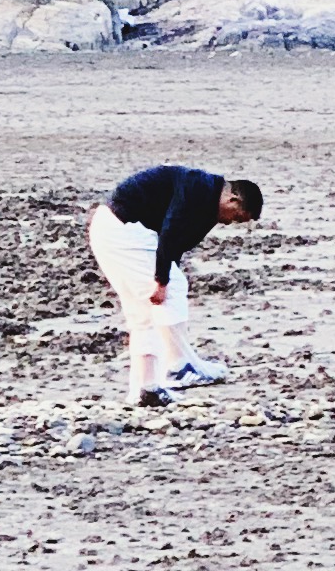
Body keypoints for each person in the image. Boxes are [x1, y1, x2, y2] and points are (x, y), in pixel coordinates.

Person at [88, 162, 263, 410]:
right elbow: (169, 233)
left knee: (142, 312)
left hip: (113, 229)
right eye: (236, 218)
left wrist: (166, 275)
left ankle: (146, 388)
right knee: (168, 292)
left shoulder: (207, 195)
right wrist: (161, 281)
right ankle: (178, 366)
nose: (230, 223)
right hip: (122, 229)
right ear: (233, 200)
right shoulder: (198, 189)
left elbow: (176, 244)